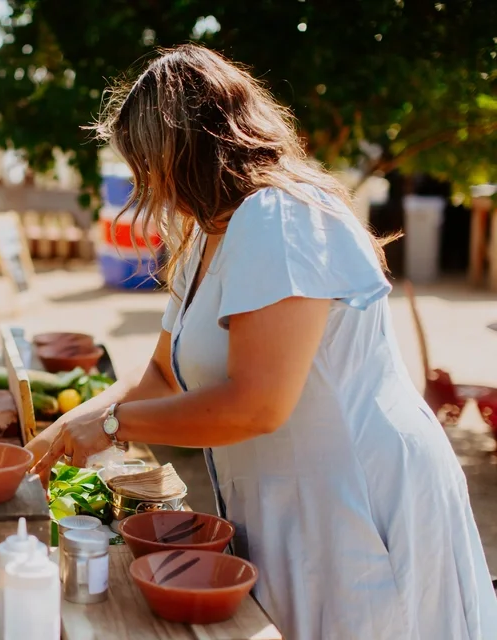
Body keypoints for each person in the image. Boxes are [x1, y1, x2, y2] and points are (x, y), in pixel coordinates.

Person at [27, 44, 497, 640]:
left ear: (186, 148)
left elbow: (257, 404)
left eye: (147, 164)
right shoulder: (208, 237)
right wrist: (61, 434)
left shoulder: (278, 218)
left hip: (359, 503)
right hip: (294, 504)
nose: (146, 185)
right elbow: (163, 376)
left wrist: (115, 426)